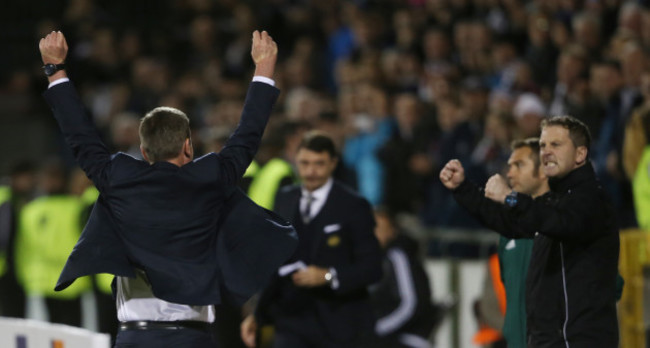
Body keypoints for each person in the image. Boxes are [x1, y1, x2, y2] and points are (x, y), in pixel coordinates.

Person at [39, 30, 297, 347]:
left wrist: (56, 70)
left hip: (135, 338)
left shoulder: (119, 178)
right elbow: (248, 135)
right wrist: (263, 68)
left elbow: (80, 135)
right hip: (193, 340)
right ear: (188, 147)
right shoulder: (211, 177)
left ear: (144, 152)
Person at [440, 116, 619, 347]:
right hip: (549, 339)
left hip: (577, 340)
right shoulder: (553, 201)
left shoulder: (592, 198)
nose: (546, 151)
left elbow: (562, 223)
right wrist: (463, 188)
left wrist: (511, 197)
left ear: (580, 154)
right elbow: (507, 221)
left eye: (556, 144)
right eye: (543, 145)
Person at [240, 132, 382, 348]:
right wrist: (258, 315)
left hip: (339, 325)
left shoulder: (354, 206)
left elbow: (372, 268)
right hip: (291, 322)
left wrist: (327, 275)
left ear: (333, 163)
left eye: (319, 164)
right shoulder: (285, 198)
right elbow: (276, 262)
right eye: (304, 163)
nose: (311, 171)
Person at [367, 209, 441, 348]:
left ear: (392, 231)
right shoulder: (374, 259)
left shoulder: (398, 256)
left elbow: (410, 305)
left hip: (407, 337)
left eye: (380, 229)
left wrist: (375, 330)